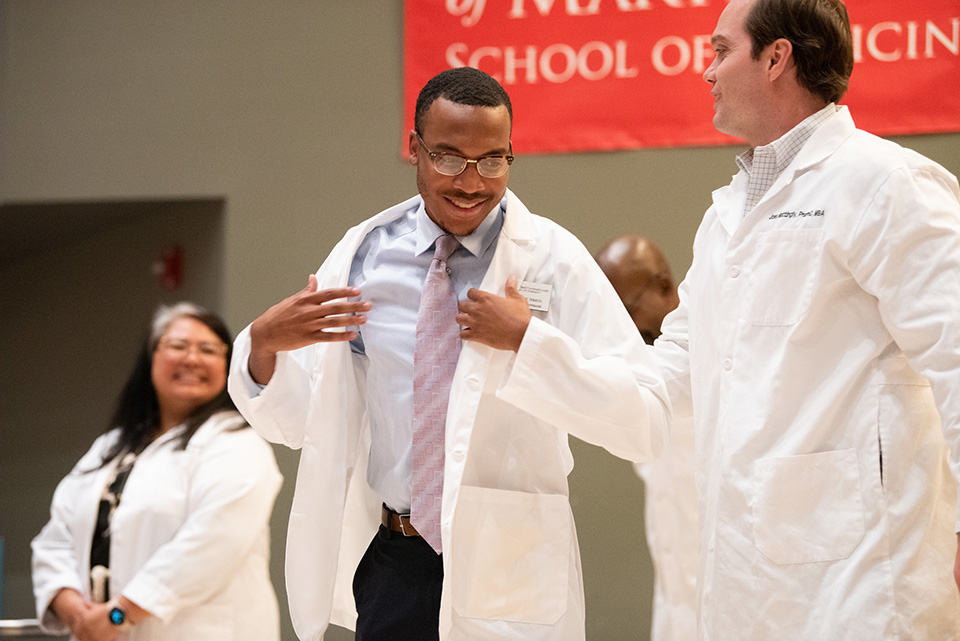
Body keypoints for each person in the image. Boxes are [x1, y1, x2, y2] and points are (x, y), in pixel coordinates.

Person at [228, 66, 670, 641]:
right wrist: (263, 348)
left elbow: (645, 422)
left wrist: (529, 345)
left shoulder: (553, 259)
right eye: (449, 158)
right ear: (415, 148)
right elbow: (305, 423)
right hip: (396, 560)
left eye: (493, 160)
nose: (472, 182)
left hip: (509, 562)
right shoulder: (365, 260)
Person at [651, 0, 960, 638]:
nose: (707, 71)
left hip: (864, 582)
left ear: (776, 58)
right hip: (748, 582)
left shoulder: (886, 183)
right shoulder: (726, 214)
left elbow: (955, 352)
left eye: (721, 51)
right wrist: (536, 351)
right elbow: (674, 365)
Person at [32, 303, 282, 641]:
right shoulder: (111, 446)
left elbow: (211, 545)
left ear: (228, 363)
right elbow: (55, 539)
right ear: (151, 358)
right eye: (178, 346)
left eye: (208, 350)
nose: (191, 359)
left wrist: (120, 615)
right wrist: (77, 614)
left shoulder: (238, 444)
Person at [596, 235, 696, 641]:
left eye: (627, 309)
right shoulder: (636, 374)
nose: (622, 329)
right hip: (675, 600)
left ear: (665, 287)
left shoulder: (712, 356)